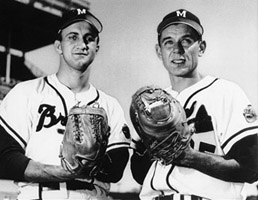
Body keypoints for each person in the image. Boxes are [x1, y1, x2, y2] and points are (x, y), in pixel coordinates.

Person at [0, 8, 131, 199]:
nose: (82, 44)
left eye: (89, 38)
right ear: (58, 46)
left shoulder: (110, 105)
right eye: (73, 37)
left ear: (97, 47)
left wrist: (85, 162)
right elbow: (5, 159)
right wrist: (63, 170)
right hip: (40, 194)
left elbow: (116, 168)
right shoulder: (26, 92)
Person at [130, 9, 258, 200]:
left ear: (202, 47)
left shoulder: (225, 92)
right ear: (159, 51)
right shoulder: (153, 106)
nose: (177, 50)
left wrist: (188, 156)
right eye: (169, 42)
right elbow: (140, 175)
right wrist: (146, 150)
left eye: (186, 41)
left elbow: (251, 168)